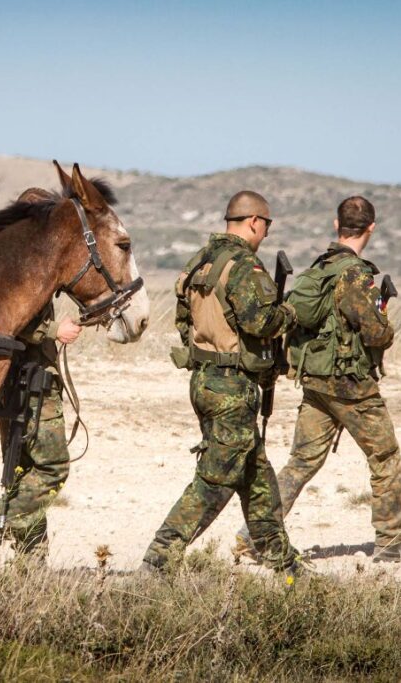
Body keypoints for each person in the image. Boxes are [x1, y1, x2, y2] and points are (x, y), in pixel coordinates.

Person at [232, 196, 401, 563]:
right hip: (351, 387)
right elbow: (376, 333)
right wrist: (385, 323)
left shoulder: (319, 268)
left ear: (337, 226)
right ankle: (392, 540)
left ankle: (255, 535)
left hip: (315, 382)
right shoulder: (354, 274)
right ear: (371, 228)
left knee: (300, 462)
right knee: (386, 457)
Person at [141, 190, 303, 575]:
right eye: (266, 225)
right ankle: (158, 560)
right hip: (232, 386)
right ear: (254, 222)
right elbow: (259, 322)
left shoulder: (201, 262)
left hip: (205, 380)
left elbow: (183, 321)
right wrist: (289, 314)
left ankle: (283, 564)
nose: (265, 233)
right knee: (216, 478)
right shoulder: (245, 265)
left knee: (256, 475)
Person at [0, 303, 81, 569]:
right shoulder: (25, 262)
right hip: (31, 382)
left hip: (14, 380)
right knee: (51, 468)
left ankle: (31, 563)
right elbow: (9, 312)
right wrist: (52, 330)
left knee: (25, 474)